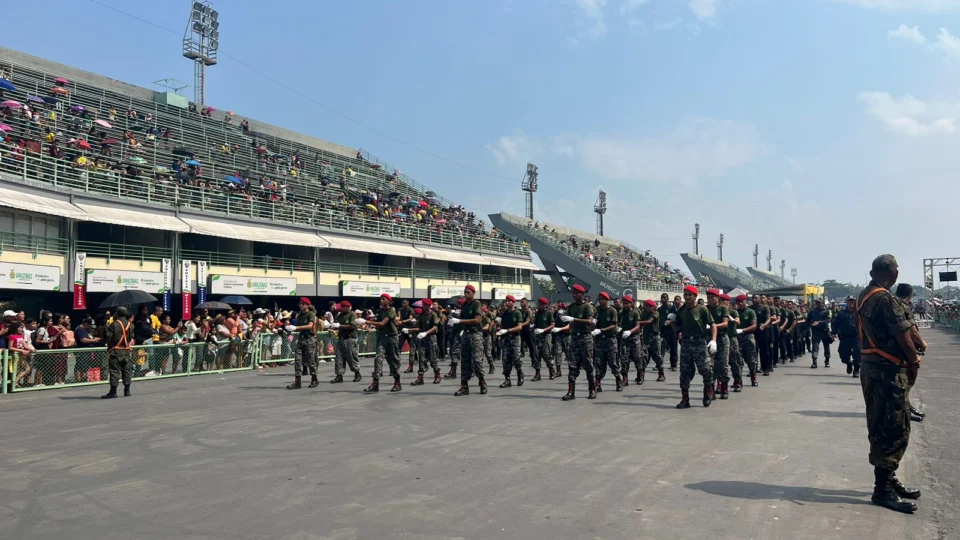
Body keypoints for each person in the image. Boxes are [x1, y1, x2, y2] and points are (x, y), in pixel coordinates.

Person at [856, 254, 922, 513]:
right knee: (892, 426)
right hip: (887, 370)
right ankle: (882, 489)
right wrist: (914, 360)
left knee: (883, 422)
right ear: (892, 272)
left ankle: (889, 480)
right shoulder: (885, 298)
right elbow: (902, 333)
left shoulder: (865, 294)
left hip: (875, 367)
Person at [675, 285, 716, 409]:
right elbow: (678, 328)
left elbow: (712, 325)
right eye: (685, 294)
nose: (687, 297)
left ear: (695, 296)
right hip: (686, 343)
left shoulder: (702, 309)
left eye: (689, 295)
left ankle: (707, 392)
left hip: (700, 343)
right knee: (684, 372)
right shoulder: (681, 311)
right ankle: (685, 399)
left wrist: (713, 340)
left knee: (706, 369)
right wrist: (672, 323)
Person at [894, 283, 927, 423]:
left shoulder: (893, 304)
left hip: (893, 349)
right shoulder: (904, 307)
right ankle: (905, 410)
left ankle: (906, 407)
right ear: (910, 294)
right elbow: (911, 330)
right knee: (907, 381)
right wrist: (922, 343)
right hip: (905, 349)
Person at [559, 284, 597, 401]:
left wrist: (573, 319)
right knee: (572, 365)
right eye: (573, 293)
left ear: (582, 294)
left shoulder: (587, 307)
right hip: (575, 337)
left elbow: (590, 321)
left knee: (588, 364)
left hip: (585, 337)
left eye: (577, 293)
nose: (575, 295)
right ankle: (571, 392)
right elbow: (570, 324)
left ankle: (592, 389)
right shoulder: (571, 307)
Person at [450, 285, 487, 396]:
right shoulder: (465, 305)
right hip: (466, 334)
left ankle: (482, 382)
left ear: (473, 293)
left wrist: (460, 321)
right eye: (465, 292)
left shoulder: (477, 303)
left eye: (468, 292)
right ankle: (464, 386)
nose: (466, 294)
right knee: (465, 361)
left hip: (476, 334)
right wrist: (456, 322)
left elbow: (477, 320)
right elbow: (462, 318)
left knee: (476, 360)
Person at [365, 293, 402, 393]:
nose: (381, 301)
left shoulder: (391, 310)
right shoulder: (381, 311)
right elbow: (378, 325)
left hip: (392, 338)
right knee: (378, 358)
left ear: (389, 301)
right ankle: (375, 383)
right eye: (380, 299)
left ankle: (397, 382)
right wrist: (368, 324)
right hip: (383, 338)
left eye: (383, 299)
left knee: (393, 361)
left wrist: (368, 322)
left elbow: (382, 323)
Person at [285, 297, 318, 389]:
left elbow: (310, 325)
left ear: (307, 305)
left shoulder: (310, 314)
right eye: (299, 304)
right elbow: (297, 326)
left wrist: (296, 328)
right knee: (298, 360)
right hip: (301, 339)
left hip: (309, 339)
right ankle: (297, 381)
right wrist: (289, 329)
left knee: (311, 360)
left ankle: (314, 379)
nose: (300, 305)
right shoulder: (299, 314)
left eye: (303, 304)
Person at [593, 292, 622, 393]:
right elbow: (594, 322)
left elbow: (614, 325)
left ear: (607, 300)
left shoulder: (612, 311)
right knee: (599, 362)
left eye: (602, 299)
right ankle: (597, 383)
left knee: (613, 362)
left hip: (610, 339)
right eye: (600, 299)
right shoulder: (597, 310)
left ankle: (618, 380)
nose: (601, 301)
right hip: (600, 340)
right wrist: (593, 324)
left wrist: (601, 330)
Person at [406, 298, 441, 385]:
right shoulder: (421, 315)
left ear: (428, 306)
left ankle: (437, 375)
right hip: (422, 338)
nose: (423, 306)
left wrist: (426, 333)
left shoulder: (433, 315)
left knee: (433, 357)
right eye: (423, 304)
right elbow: (418, 327)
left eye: (424, 305)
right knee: (421, 357)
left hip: (431, 338)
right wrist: (409, 330)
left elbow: (435, 327)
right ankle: (420, 378)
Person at [102, 306, 134, 399]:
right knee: (127, 371)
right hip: (126, 351)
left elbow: (109, 338)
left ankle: (113, 392)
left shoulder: (113, 324)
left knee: (114, 371)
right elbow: (130, 338)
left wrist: (109, 346)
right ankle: (127, 390)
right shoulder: (131, 325)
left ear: (117, 313)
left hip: (116, 351)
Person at [706, 289, 730, 400]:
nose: (710, 299)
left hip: (722, 338)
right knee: (710, 365)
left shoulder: (723, 308)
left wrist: (712, 326)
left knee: (723, 364)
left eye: (712, 297)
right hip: (709, 338)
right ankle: (711, 389)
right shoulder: (705, 309)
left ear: (718, 298)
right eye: (708, 297)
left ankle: (724, 387)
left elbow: (725, 323)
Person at [330, 301, 363, 384]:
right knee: (339, 358)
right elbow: (336, 323)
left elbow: (352, 326)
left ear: (347, 307)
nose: (341, 308)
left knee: (352, 357)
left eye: (342, 307)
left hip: (350, 339)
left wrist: (339, 326)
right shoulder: (340, 315)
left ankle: (357, 373)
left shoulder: (352, 314)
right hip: (341, 338)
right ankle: (339, 375)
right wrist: (334, 325)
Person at [496, 295, 523, 388]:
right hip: (506, 338)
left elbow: (520, 327)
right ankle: (507, 379)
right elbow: (501, 326)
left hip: (515, 338)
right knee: (505, 359)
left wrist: (508, 330)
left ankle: (519, 373)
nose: (507, 302)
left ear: (513, 302)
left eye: (509, 301)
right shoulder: (504, 314)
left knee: (516, 358)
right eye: (506, 301)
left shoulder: (517, 313)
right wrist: (499, 328)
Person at [832, 296, 861, 377]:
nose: (851, 303)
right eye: (850, 301)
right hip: (845, 337)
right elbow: (835, 324)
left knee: (858, 353)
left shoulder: (859, 313)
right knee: (843, 354)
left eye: (853, 301)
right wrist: (833, 333)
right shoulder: (841, 313)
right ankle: (848, 363)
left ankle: (856, 370)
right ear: (847, 302)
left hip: (857, 336)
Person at [735, 294, 759, 387]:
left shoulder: (750, 312)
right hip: (737, 338)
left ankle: (753, 377)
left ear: (746, 302)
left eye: (742, 302)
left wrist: (742, 330)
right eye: (738, 302)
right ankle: (738, 380)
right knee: (738, 360)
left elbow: (754, 326)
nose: (740, 304)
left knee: (751, 360)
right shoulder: (735, 312)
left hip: (748, 337)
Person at [640, 299, 665, 382]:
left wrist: (638, 323)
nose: (647, 308)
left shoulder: (655, 313)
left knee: (657, 356)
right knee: (643, 357)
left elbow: (649, 321)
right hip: (646, 338)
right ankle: (641, 375)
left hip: (654, 337)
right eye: (646, 306)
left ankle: (661, 373)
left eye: (649, 306)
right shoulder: (643, 314)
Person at [619, 295, 642, 385]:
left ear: (631, 303)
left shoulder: (635, 313)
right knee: (624, 359)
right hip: (624, 338)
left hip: (634, 337)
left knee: (637, 357)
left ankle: (640, 374)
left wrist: (630, 332)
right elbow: (619, 323)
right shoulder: (621, 313)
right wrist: (618, 329)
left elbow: (638, 326)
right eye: (623, 303)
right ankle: (625, 378)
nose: (625, 305)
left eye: (627, 303)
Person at [721, 294, 742, 392]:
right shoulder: (719, 311)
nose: (721, 302)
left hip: (732, 338)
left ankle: (737, 381)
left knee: (734, 361)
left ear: (728, 302)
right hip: (721, 338)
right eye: (720, 300)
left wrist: (732, 319)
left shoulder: (733, 311)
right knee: (720, 362)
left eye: (723, 301)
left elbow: (738, 322)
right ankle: (719, 383)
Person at [532, 297, 555, 381]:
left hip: (546, 335)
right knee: (536, 354)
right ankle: (537, 373)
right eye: (539, 304)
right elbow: (536, 323)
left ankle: (551, 370)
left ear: (545, 305)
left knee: (546, 354)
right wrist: (533, 328)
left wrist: (544, 330)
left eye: (542, 304)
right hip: (538, 335)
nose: (540, 306)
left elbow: (552, 325)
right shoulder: (537, 313)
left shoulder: (549, 313)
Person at [808, 298, 832, 369]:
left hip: (824, 331)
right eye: (816, 302)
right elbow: (808, 321)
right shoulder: (812, 311)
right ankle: (814, 362)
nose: (818, 304)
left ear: (822, 303)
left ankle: (827, 361)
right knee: (815, 347)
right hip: (816, 332)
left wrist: (819, 322)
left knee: (826, 347)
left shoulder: (828, 311)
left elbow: (829, 319)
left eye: (819, 302)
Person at [658, 294, 679, 371]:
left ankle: (673, 365)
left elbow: (676, 317)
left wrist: (670, 322)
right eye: (661, 298)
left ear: (668, 299)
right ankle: (659, 364)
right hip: (663, 330)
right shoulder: (659, 309)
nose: (663, 299)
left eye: (664, 298)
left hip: (672, 329)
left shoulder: (672, 308)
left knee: (673, 347)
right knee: (661, 347)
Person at [551, 302, 570, 377]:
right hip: (558, 335)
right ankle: (558, 371)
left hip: (566, 336)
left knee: (568, 353)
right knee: (558, 353)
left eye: (560, 308)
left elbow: (569, 326)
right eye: (558, 307)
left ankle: (571, 370)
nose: (559, 309)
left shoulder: (568, 315)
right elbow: (553, 323)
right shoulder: (555, 315)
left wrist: (560, 328)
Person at [399, 299, 416, 373]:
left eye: (404, 303)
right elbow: (399, 317)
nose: (403, 304)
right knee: (399, 344)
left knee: (411, 345)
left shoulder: (410, 309)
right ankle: (397, 358)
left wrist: (402, 321)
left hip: (409, 329)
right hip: (403, 329)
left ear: (407, 303)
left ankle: (415, 358)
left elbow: (410, 318)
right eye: (402, 303)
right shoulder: (401, 310)